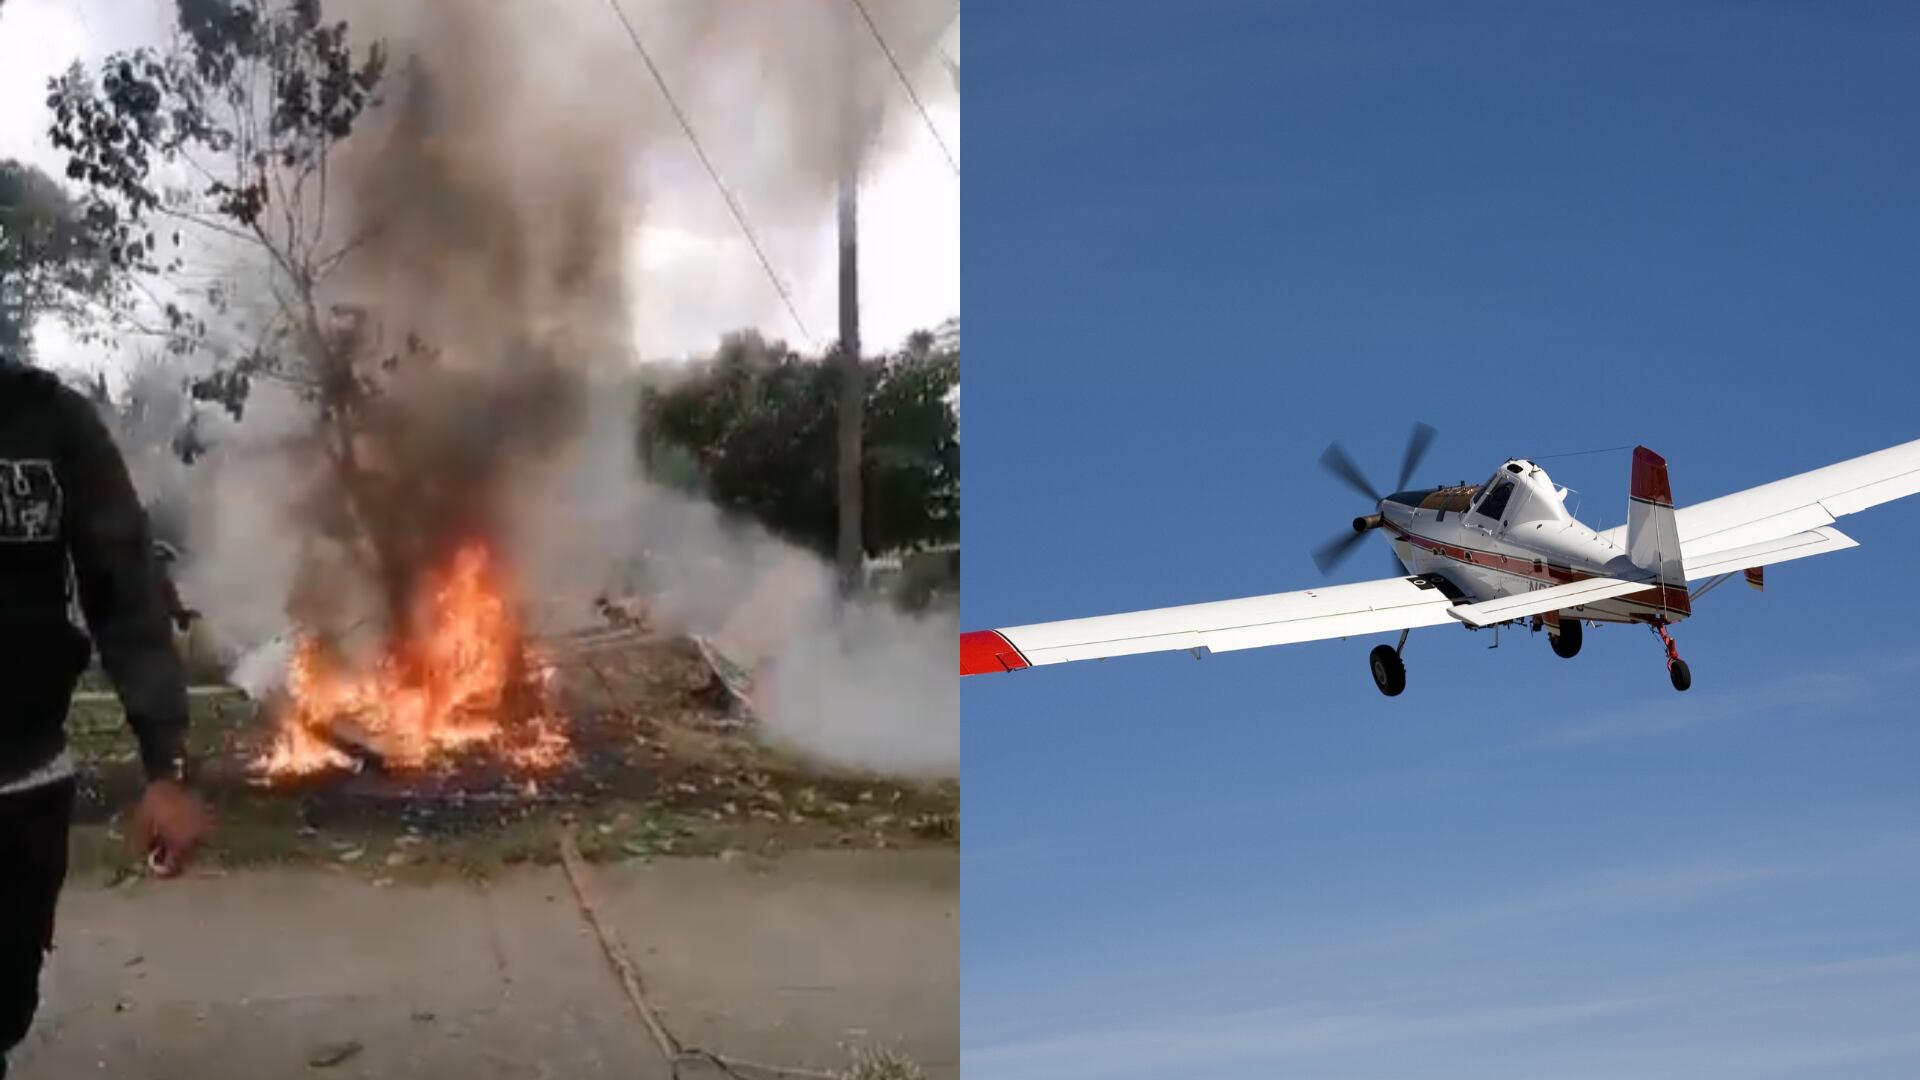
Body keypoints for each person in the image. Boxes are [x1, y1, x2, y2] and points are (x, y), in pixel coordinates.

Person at [0, 361, 212, 1076]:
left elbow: (125, 594)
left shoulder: (49, 421)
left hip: (18, 782)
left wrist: (165, 768)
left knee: (3, 1005)